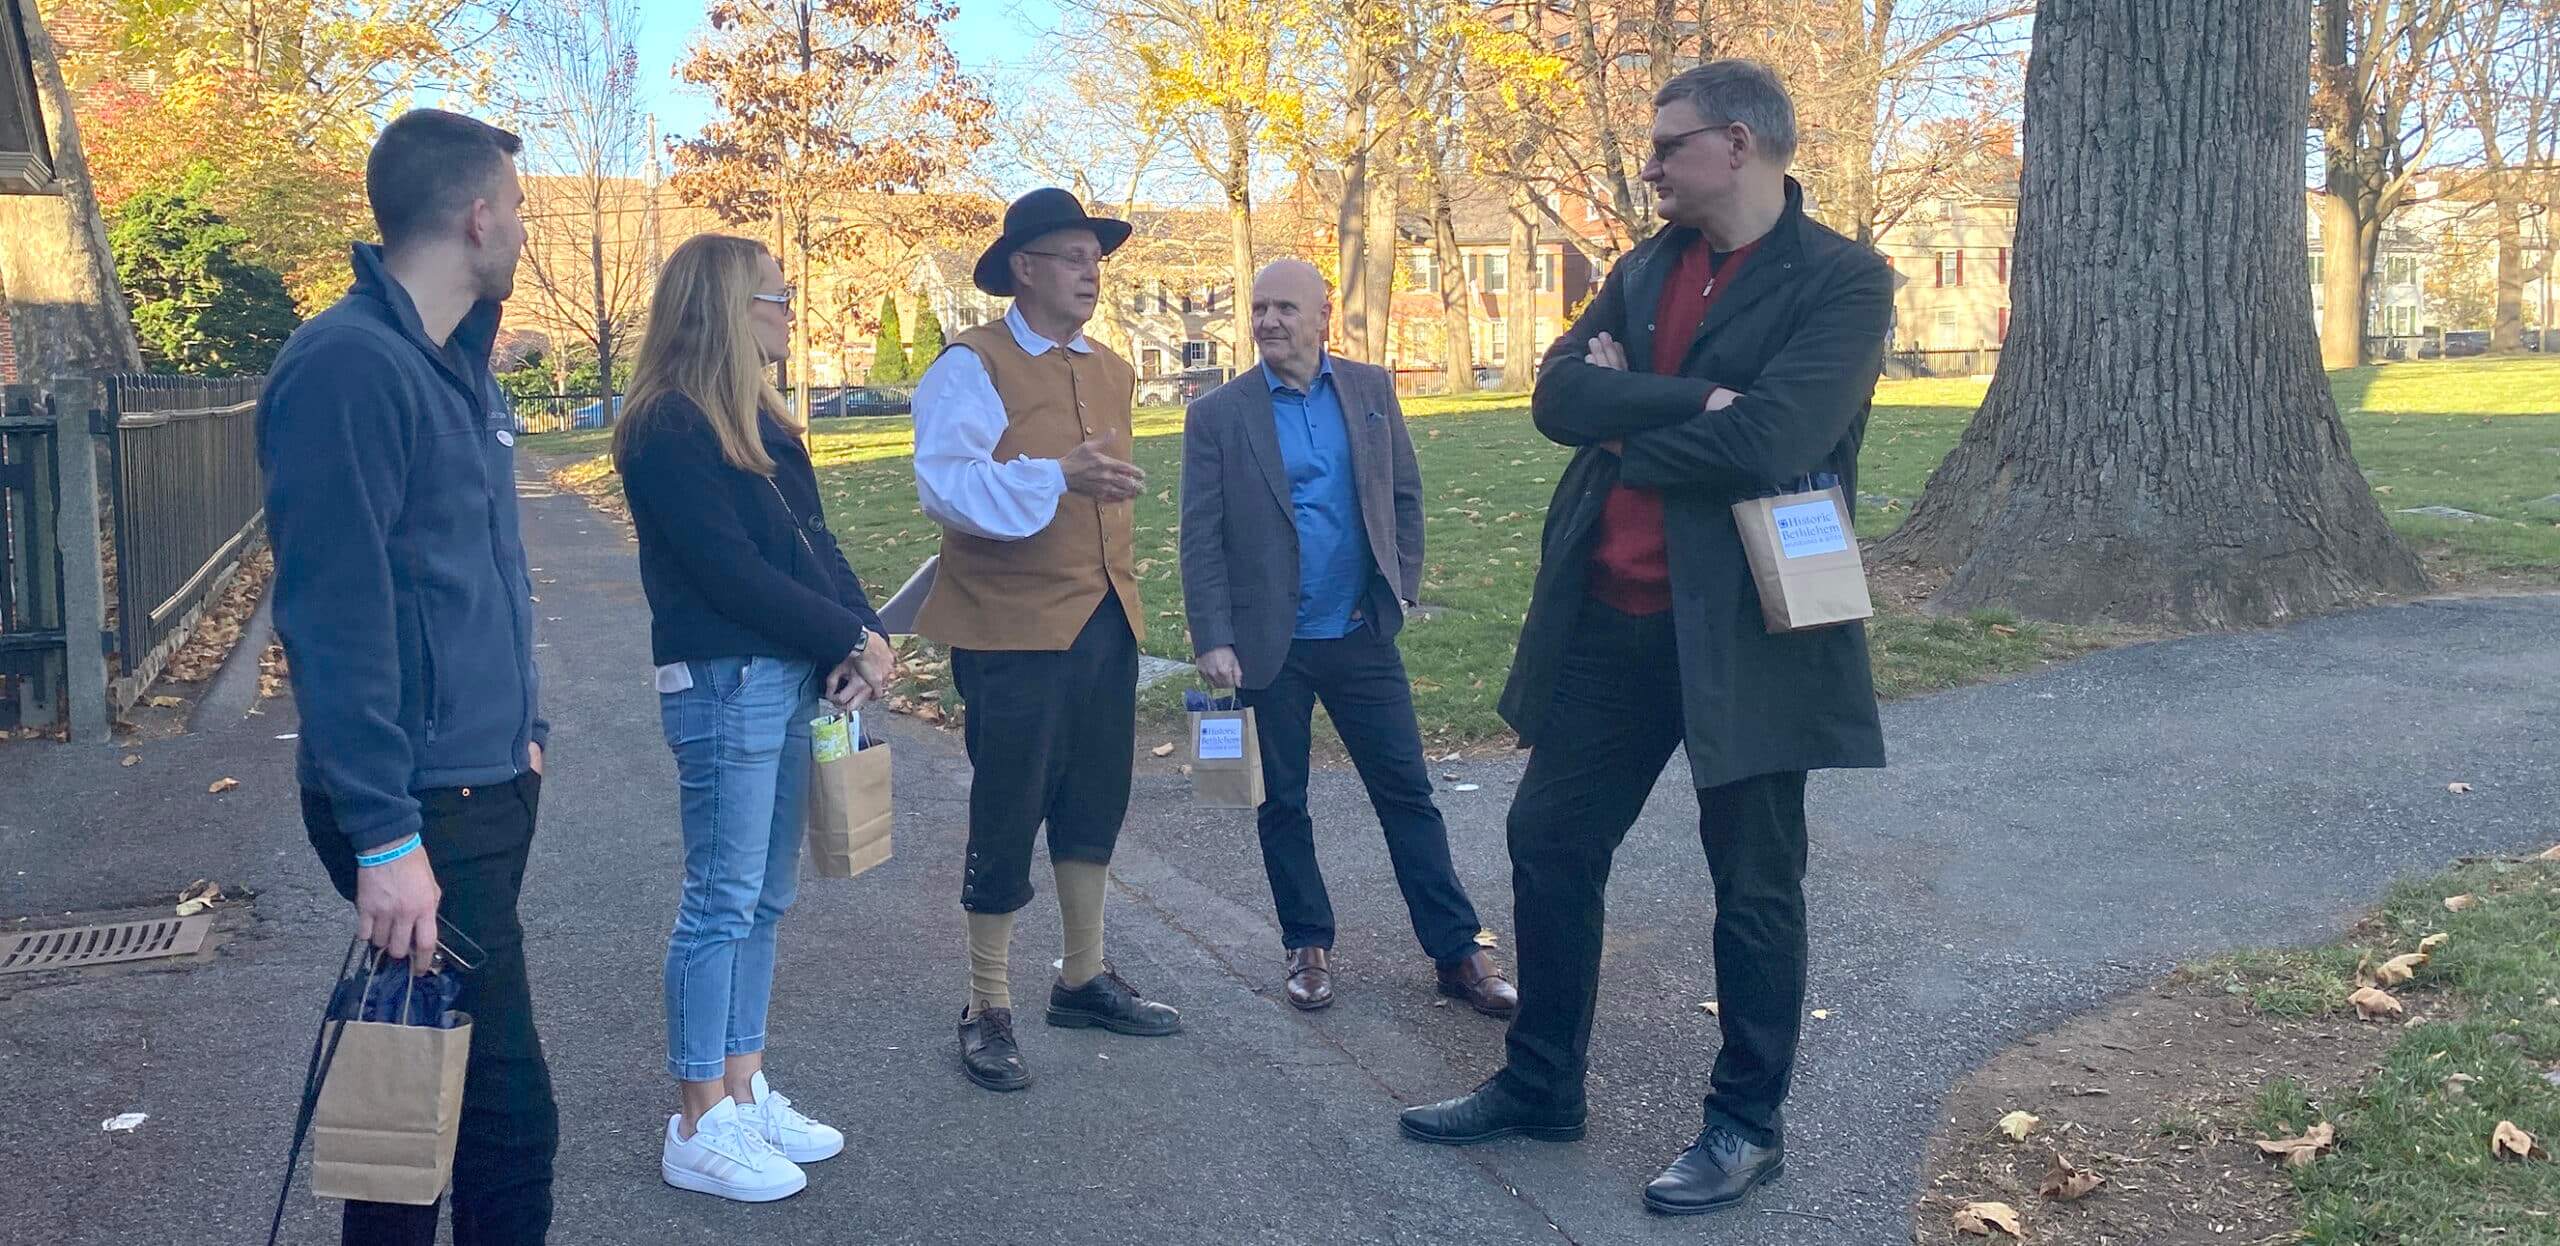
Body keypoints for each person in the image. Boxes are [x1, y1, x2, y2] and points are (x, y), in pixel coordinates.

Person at [1397, 61, 1894, 1218]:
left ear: (1735, 143)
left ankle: (1744, 1125)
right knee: (1549, 838)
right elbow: (1556, 398)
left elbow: (1774, 443)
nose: (1650, 164)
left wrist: (1633, 422)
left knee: (1756, 886)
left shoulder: (1845, 282)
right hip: (1611, 617)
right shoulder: (1644, 265)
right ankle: (1542, 1082)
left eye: (1667, 145)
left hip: (1753, 630)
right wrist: (1690, 405)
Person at [258, 108, 557, 1244]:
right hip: (424, 806)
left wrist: (521, 728)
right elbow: (334, 616)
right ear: (478, 215)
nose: (522, 234)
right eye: (518, 212)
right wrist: (385, 837)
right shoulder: (349, 367)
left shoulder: (450, 367)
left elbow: (467, 580)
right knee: (494, 1130)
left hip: (480, 785)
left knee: (423, 1109)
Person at [614, 234, 893, 1201]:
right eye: (776, 297)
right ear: (726, 310)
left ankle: (741, 1083)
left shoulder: (766, 426)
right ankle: (698, 1120)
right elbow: (726, 570)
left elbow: (811, 546)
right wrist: (842, 638)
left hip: (780, 674)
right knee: (722, 897)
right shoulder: (664, 426)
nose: (789, 312)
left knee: (766, 896)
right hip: (724, 681)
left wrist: (863, 633)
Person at [1178, 259, 1517, 1017]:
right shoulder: (1219, 414)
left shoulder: (1368, 390)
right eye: (1259, 308)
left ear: (1323, 316)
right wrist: (1213, 635)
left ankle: (1457, 951)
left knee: (1408, 795)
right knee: (1283, 803)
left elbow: (1403, 494)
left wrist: (1400, 584)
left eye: (1284, 308)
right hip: (1271, 646)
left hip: (1360, 630)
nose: (1269, 321)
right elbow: (1199, 536)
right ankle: (1307, 946)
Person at [910, 188, 1181, 1093]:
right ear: (1023, 267)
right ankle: (986, 1004)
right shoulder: (969, 365)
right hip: (1009, 628)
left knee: (1094, 796)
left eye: (1095, 258)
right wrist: (1054, 475)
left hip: (1105, 614)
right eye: (1072, 256)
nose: (1089, 271)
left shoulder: (1109, 367)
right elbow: (947, 487)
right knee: (1008, 806)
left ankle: (1082, 975)